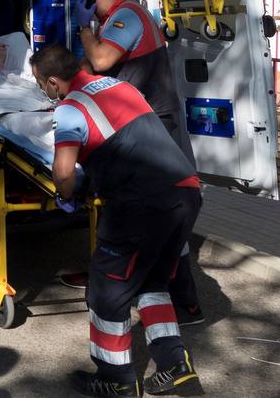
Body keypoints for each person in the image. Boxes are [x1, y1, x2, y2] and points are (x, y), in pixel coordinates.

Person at [30, 45, 201, 397]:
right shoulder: (119, 87)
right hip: (186, 193)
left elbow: (63, 172)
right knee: (151, 283)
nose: (41, 90)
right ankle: (174, 363)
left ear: (52, 81)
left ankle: (116, 377)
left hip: (141, 204)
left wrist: (66, 196)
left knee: (107, 290)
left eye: (39, 83)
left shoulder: (70, 108)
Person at [70, 0, 202, 324]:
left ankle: (186, 301)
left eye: (82, 3)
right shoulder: (113, 20)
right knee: (127, 206)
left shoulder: (127, 16)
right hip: (138, 123)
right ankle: (111, 275)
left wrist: (83, 28)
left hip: (154, 121)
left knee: (162, 211)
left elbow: (101, 60)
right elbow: (91, 67)